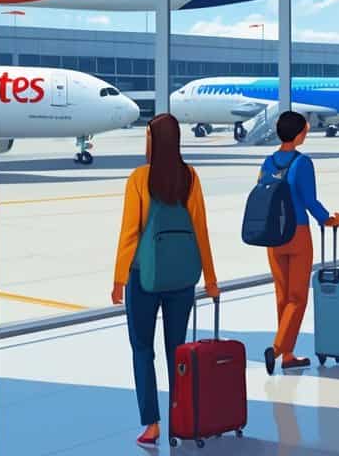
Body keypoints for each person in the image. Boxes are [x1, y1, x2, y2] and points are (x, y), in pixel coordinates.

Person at [112, 114, 219, 447]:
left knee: (142, 349)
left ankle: (152, 424)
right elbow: (200, 229)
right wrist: (211, 279)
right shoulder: (190, 177)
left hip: (144, 277)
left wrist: (119, 278)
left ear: (153, 140)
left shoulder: (139, 178)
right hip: (182, 278)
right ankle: (181, 418)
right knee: (178, 350)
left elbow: (130, 233)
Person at [263, 111, 339, 373]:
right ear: (299, 134)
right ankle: (277, 349)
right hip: (296, 233)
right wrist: (327, 219)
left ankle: (288, 355)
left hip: (273, 235)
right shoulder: (302, 163)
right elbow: (309, 201)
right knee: (297, 298)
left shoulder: (267, 163)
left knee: (282, 296)